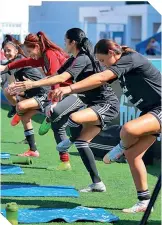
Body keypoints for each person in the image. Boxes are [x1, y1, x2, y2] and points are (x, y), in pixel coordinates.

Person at [48, 38, 161, 212]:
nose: (103, 65)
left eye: (102, 60)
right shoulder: (121, 63)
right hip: (150, 111)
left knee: (129, 129)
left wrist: (69, 89)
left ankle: (120, 147)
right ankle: (144, 201)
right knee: (132, 155)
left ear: (111, 53)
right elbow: (95, 82)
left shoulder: (131, 58)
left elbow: (101, 77)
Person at [8, 28, 120, 192]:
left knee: (73, 118)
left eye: (65, 40)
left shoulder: (82, 58)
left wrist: (32, 84)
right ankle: (97, 183)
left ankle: (71, 140)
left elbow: (61, 79)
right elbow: (55, 76)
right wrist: (31, 84)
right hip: (90, 102)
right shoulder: (74, 59)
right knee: (82, 142)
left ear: (72, 42)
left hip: (106, 104)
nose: (64, 43)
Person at [0, 31, 79, 162]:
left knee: (56, 121)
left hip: (65, 93)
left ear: (36, 47)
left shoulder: (50, 54)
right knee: (25, 115)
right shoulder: (43, 56)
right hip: (57, 92)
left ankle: (64, 159)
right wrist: (6, 67)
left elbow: (55, 78)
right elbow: (26, 62)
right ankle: (33, 150)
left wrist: (54, 102)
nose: (30, 55)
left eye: (30, 52)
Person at [1, 34, 51, 156]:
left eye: (9, 50)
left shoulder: (18, 61)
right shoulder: (14, 62)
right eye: (4, 51)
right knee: (24, 117)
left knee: (18, 102)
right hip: (32, 94)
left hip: (44, 94)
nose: (6, 53)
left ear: (17, 51)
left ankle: (50, 116)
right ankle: (33, 150)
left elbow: (6, 74)